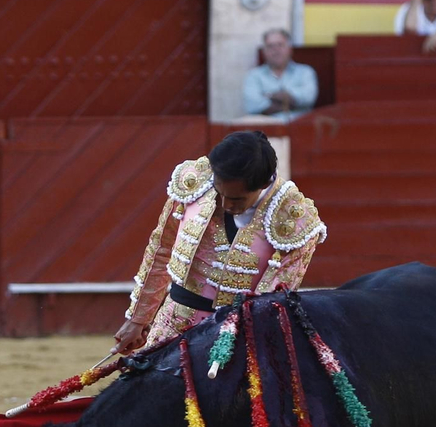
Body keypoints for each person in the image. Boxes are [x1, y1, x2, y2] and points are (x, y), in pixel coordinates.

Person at [115, 130, 325, 355]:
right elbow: (162, 251)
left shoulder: (296, 219)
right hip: (171, 325)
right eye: (219, 191)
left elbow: (271, 303)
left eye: (236, 199)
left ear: (263, 184)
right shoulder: (193, 183)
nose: (224, 204)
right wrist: (138, 319)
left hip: (237, 339)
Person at [243, 28, 319, 118]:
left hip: (299, 127)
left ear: (290, 49)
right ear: (264, 51)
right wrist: (289, 102)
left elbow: (308, 98)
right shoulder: (254, 75)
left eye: (280, 45)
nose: (276, 50)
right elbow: (252, 106)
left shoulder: (305, 72)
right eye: (270, 46)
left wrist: (270, 96)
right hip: (266, 128)